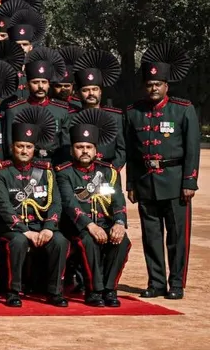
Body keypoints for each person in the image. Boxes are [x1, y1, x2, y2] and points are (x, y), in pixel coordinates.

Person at [124, 46, 199, 300]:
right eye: (149, 84)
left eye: (157, 83)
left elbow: (192, 148)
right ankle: (156, 282)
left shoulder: (182, 109)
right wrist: (131, 183)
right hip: (146, 181)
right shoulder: (133, 112)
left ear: (166, 85)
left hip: (176, 180)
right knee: (152, 236)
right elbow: (131, 153)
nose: (153, 88)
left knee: (177, 237)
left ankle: (176, 283)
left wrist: (190, 180)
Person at [0, 121, 68, 308]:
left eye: (28, 147)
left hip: (40, 224)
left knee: (60, 241)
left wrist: (49, 228)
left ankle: (55, 291)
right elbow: (3, 205)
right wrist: (25, 230)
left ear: (34, 149)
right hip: (12, 227)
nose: (24, 150)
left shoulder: (46, 172)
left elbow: (56, 202)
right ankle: (13, 291)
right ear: (12, 147)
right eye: (20, 146)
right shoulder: (1, 171)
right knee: (18, 242)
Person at [58, 122, 130, 307]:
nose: (84, 151)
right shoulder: (64, 172)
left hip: (105, 223)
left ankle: (110, 289)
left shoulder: (108, 171)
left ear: (95, 149)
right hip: (77, 226)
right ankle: (94, 290)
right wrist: (89, 225)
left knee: (122, 241)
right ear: (72, 149)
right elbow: (69, 203)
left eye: (88, 147)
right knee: (88, 241)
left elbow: (118, 200)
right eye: (79, 147)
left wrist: (119, 223)